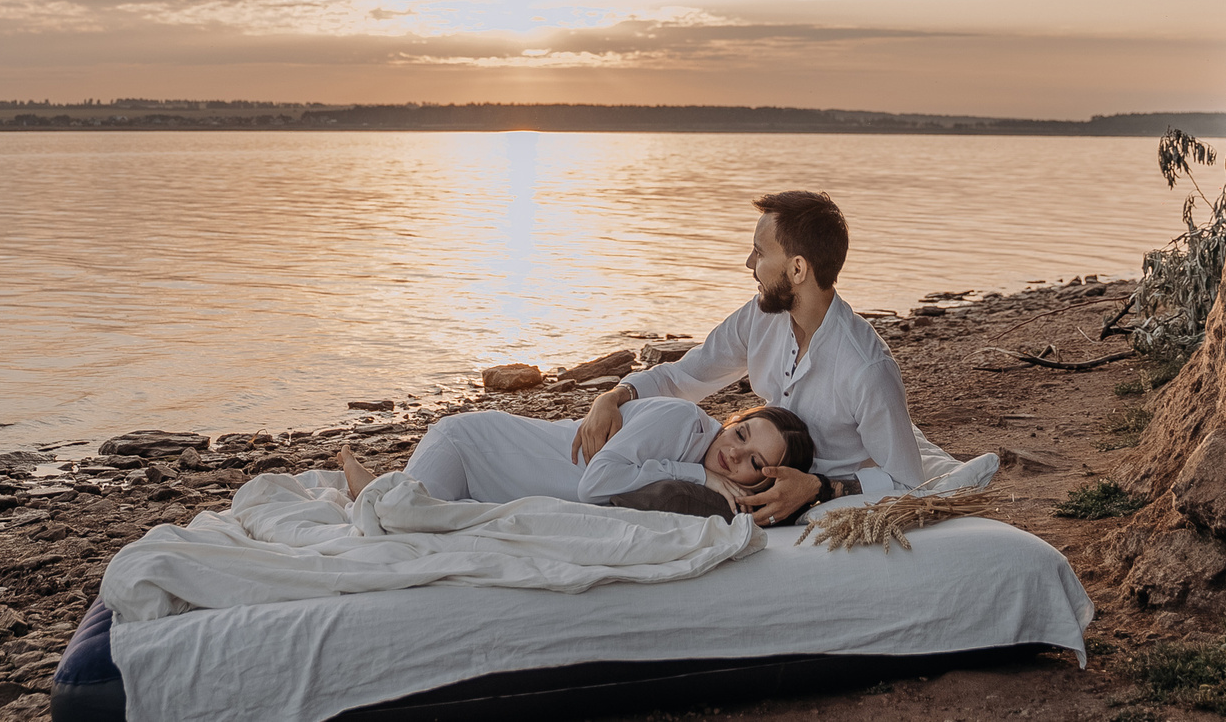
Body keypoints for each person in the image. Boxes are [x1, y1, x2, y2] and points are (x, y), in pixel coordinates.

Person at [571, 190, 942, 527]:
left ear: (797, 269)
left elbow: (908, 481)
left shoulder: (866, 370)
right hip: (741, 480)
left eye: (760, 253)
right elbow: (686, 376)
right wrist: (615, 396)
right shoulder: (763, 316)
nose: (749, 263)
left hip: (798, 499)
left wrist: (818, 488)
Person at [339, 399, 813, 512]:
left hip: (491, 487)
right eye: (743, 433)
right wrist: (697, 475)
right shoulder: (683, 422)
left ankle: (390, 480)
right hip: (471, 448)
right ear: (733, 420)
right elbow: (595, 483)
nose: (735, 453)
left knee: (424, 516)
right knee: (399, 515)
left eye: (754, 461)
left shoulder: (706, 469)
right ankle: (372, 484)